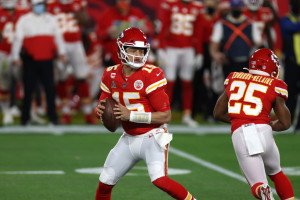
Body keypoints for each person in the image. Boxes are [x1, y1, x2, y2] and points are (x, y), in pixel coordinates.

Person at [94, 27, 197, 200]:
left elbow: (166, 116)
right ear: (121, 49)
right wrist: (99, 111)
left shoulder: (151, 74)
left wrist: (131, 115)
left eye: (141, 51)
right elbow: (102, 105)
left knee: (160, 180)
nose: (138, 55)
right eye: (132, 49)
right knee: (105, 182)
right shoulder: (110, 74)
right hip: (128, 137)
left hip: (152, 136)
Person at [213, 48, 295, 200]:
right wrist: (270, 124)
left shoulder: (234, 77)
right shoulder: (275, 84)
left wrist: (240, 119)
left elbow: (218, 113)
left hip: (243, 133)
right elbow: (285, 123)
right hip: (264, 132)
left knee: (259, 185)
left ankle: (265, 192)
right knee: (277, 172)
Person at [11, 0, 66, 125]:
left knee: (50, 89)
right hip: (30, 60)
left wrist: (62, 52)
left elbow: (58, 37)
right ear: (32, 6)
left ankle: (53, 118)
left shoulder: (51, 19)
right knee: (29, 89)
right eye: (37, 5)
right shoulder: (24, 20)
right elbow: (18, 39)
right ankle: (25, 119)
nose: (39, 7)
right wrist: (15, 56)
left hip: (47, 58)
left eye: (41, 4)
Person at [155, 0, 204, 127]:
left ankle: (187, 115)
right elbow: (163, 26)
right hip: (171, 48)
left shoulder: (197, 7)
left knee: (187, 82)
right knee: (168, 82)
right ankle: (165, 115)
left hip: (188, 48)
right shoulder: (170, 4)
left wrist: (199, 52)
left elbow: (198, 32)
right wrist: (161, 47)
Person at [47, 0, 97, 124]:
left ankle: (87, 113)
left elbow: (86, 23)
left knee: (82, 77)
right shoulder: (51, 5)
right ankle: (66, 113)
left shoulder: (78, 3)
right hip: (60, 44)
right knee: (62, 78)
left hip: (76, 43)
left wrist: (76, 10)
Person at [209, 0, 263, 79]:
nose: (236, 9)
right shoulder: (221, 24)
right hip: (229, 62)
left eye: (238, 7)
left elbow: (259, 42)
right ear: (230, 8)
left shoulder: (251, 24)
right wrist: (215, 55)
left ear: (242, 8)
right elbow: (214, 44)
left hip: (246, 63)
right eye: (234, 7)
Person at [96, 0, 154, 67]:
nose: (123, 2)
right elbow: (98, 35)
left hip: (136, 57)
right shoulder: (107, 15)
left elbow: (150, 30)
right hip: (114, 59)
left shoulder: (137, 13)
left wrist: (146, 29)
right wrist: (107, 32)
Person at [0, 0, 25, 125]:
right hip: (3, 53)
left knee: (26, 82)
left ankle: (30, 111)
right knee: (4, 83)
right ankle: (6, 111)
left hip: (19, 54)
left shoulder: (22, 13)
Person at [280, 0, 300, 132]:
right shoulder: (285, 20)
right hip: (292, 62)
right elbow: (291, 28)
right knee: (290, 93)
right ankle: (288, 121)